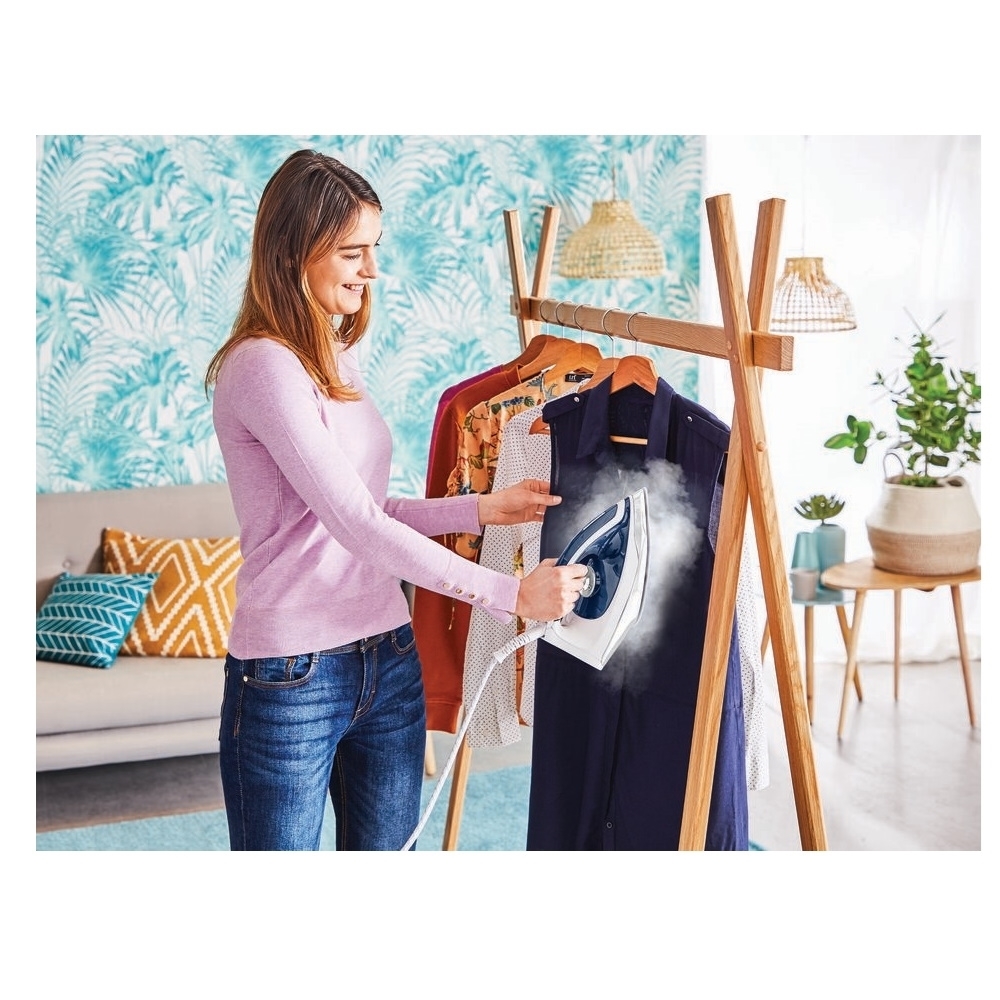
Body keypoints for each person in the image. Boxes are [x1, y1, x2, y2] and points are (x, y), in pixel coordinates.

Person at [204, 148, 586, 851]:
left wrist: (480, 510)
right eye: (352, 253)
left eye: (374, 248)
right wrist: (510, 594)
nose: (372, 270)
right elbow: (356, 525)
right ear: (292, 252)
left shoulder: (334, 354)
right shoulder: (262, 366)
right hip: (293, 674)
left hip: (387, 654)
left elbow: (368, 507)